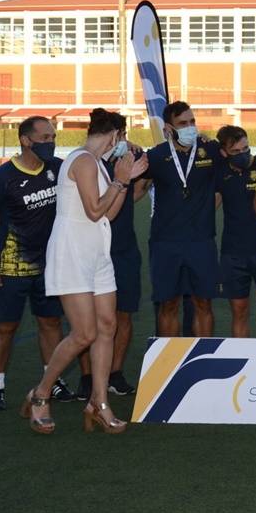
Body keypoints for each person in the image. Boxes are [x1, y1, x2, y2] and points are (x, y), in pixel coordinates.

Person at [24, 109, 148, 434]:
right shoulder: (81, 160)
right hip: (71, 253)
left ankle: (99, 403)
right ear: (114, 135)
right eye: (122, 138)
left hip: (97, 253)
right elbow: (94, 211)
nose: (123, 145)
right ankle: (40, 394)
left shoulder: (100, 166)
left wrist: (125, 181)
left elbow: (111, 212)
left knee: (107, 326)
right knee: (84, 334)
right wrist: (121, 179)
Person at [0, 116, 79, 411]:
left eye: (53, 137)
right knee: (5, 326)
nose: (51, 143)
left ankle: (53, 380)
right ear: (26, 140)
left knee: (50, 322)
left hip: (51, 265)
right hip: (11, 267)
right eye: (45, 138)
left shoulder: (58, 168)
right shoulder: (1, 178)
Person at [143, 101, 226, 337]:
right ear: (169, 128)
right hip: (165, 242)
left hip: (202, 241)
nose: (190, 127)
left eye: (192, 122)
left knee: (203, 303)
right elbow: (138, 186)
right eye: (183, 123)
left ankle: (203, 358)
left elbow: (241, 152)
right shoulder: (157, 156)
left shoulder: (211, 150)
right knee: (169, 304)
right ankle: (168, 363)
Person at [88, 135, 150, 397]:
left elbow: (142, 186)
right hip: (92, 250)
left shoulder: (131, 159)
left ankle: (115, 373)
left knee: (124, 314)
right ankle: (86, 376)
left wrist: (134, 147)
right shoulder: (86, 164)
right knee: (88, 319)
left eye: (125, 135)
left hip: (124, 251)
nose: (124, 140)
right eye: (120, 136)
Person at [214, 125, 256, 338]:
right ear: (224, 152)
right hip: (233, 253)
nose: (242, 155)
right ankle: (241, 362)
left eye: (246, 149)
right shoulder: (220, 172)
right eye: (235, 152)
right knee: (239, 311)